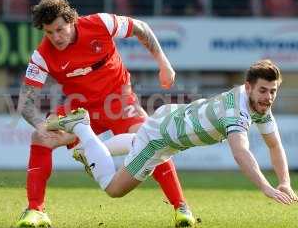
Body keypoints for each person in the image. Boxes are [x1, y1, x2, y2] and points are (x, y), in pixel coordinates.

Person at [16, 0, 196, 228]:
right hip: (81, 109)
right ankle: (35, 210)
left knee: (152, 138)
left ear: (72, 20)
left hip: (120, 102)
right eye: (49, 32)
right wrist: (43, 126)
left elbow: (141, 28)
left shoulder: (100, 23)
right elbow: (25, 103)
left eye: (60, 29)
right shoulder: (43, 55)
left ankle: (181, 207)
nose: (55, 38)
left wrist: (163, 63)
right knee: (40, 137)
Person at [51, 59, 298, 205]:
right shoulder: (237, 111)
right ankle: (83, 128)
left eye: (273, 91)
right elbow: (241, 152)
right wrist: (267, 187)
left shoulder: (258, 105)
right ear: (248, 87)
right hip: (160, 138)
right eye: (264, 90)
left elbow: (274, 145)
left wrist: (285, 182)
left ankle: (93, 148)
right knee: (113, 189)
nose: (268, 97)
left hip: (169, 121)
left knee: (137, 139)